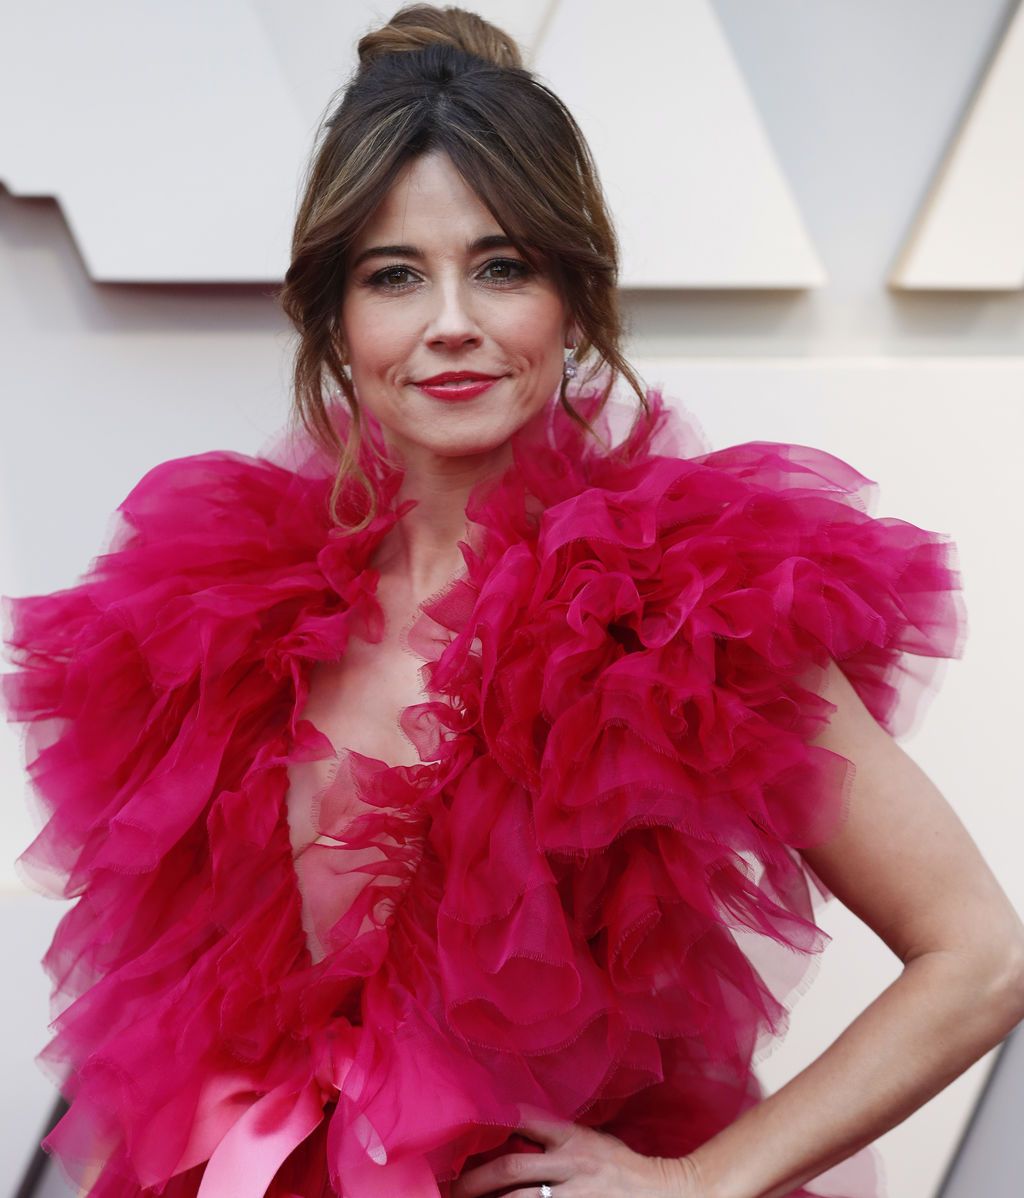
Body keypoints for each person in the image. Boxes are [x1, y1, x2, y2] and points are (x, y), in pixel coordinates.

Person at [3, 5, 1023, 1197]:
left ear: (574, 299)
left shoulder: (680, 609)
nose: (451, 324)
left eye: (501, 268)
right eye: (395, 276)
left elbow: (979, 955)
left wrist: (702, 1180)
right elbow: (164, 1026)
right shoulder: (214, 616)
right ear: (335, 318)